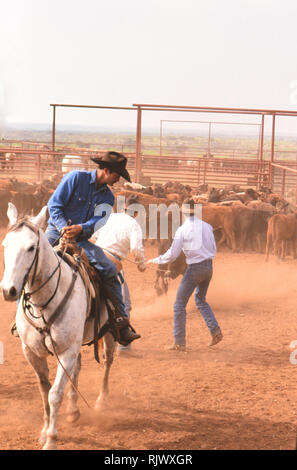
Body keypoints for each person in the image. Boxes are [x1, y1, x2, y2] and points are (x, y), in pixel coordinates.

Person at [45, 151, 141, 347]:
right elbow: (54, 205)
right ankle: (22, 314)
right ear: (106, 171)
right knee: (35, 259)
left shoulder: (107, 196)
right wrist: (64, 227)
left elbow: (99, 220)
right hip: (55, 233)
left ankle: (120, 322)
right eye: (116, 175)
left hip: (81, 240)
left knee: (108, 270)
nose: (117, 180)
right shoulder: (74, 178)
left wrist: (81, 228)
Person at [147, 197, 223, 351]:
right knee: (200, 300)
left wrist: (153, 261)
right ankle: (215, 331)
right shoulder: (207, 226)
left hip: (195, 268)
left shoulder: (182, 229)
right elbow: (214, 248)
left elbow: (172, 255)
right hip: (209, 266)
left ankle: (179, 342)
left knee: (179, 305)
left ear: (183, 212)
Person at [92, 193, 146, 355]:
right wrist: (141, 264)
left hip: (94, 256)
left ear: (124, 207)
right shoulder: (134, 225)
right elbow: (136, 249)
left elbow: (93, 237)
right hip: (111, 263)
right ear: (137, 213)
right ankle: (124, 345)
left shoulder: (110, 217)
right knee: (124, 303)